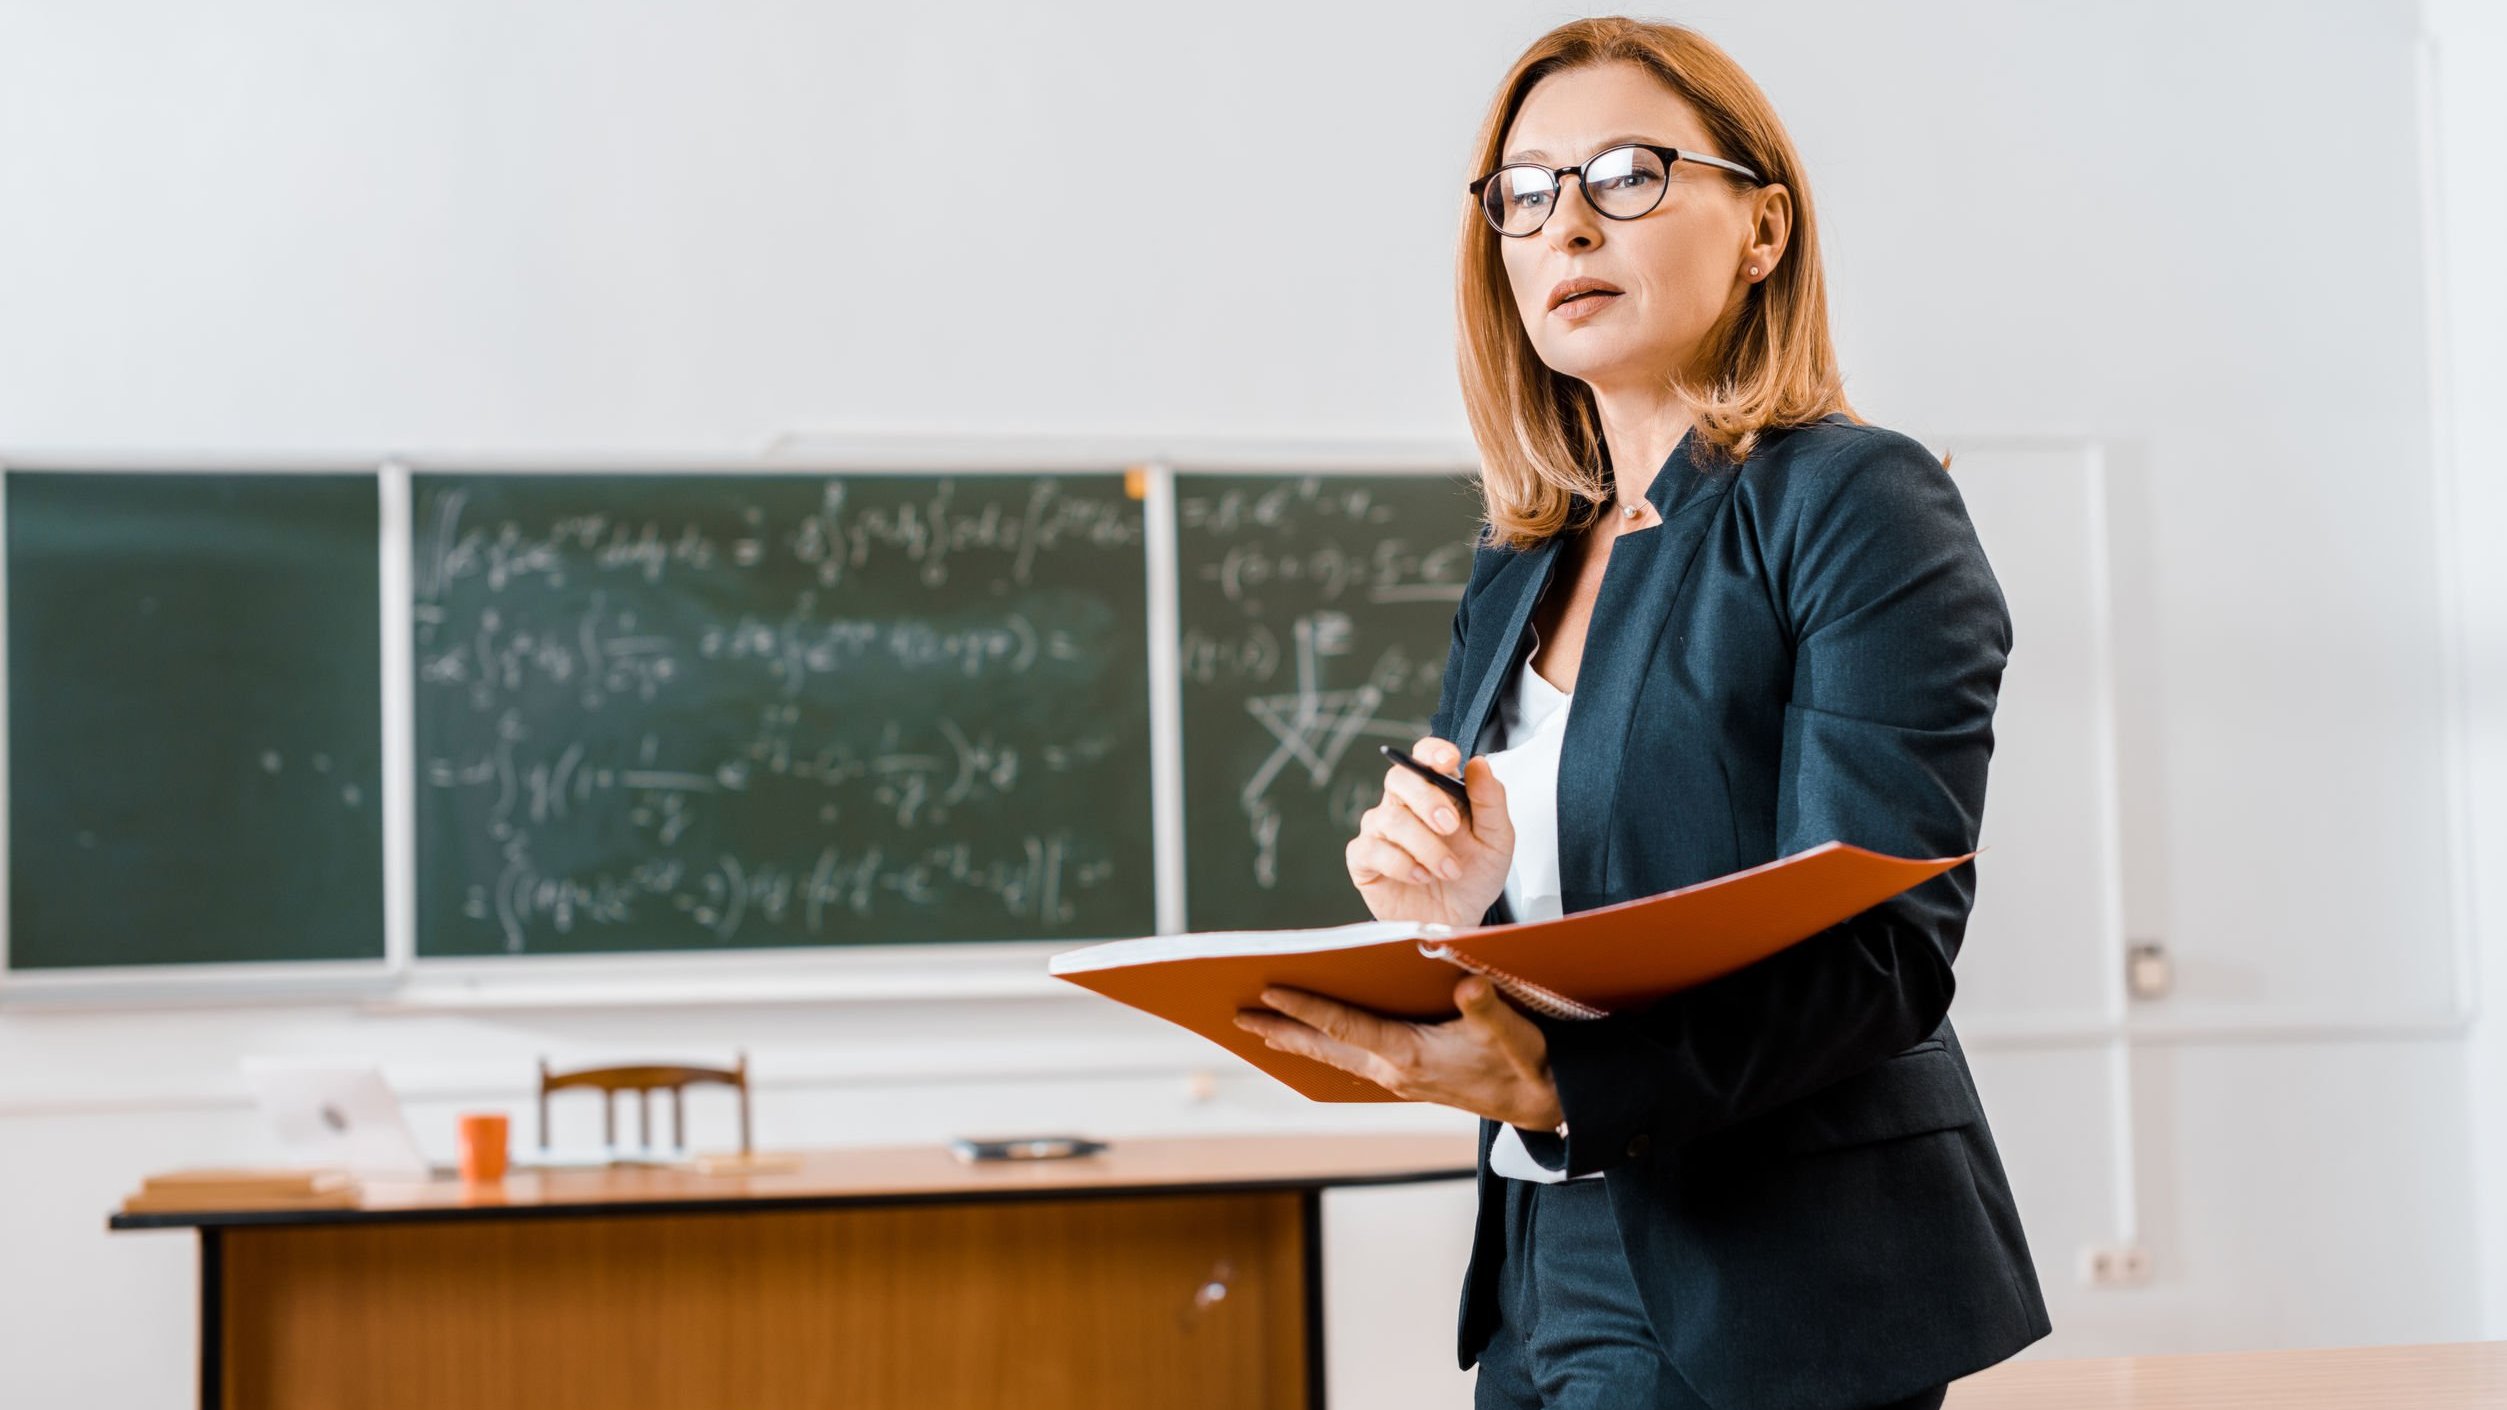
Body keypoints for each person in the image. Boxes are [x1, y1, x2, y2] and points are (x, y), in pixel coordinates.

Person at [1230, 17, 2052, 1410]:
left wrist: (1563, 1080)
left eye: (1627, 174)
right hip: (1542, 1248)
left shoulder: (1856, 503)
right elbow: (1559, 923)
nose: (1568, 226)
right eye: (1527, 192)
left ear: (1763, 228)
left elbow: (1883, 946)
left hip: (1776, 1267)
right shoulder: (1520, 560)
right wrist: (1458, 897)